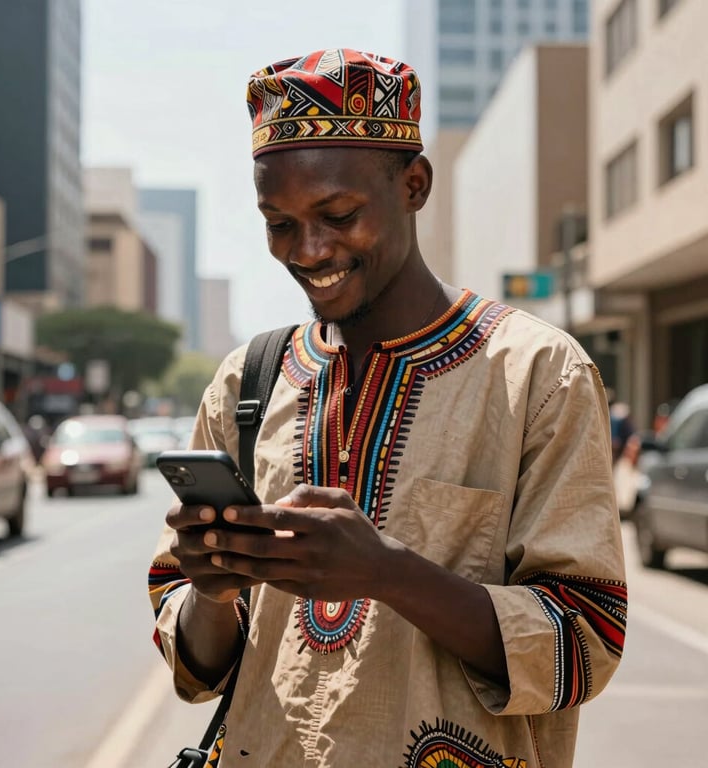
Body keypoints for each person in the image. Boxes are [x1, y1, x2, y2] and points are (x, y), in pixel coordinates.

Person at [149, 49, 627, 767]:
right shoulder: (247, 382)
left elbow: (585, 643)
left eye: (337, 214)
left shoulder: (539, 375)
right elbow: (197, 667)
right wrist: (214, 593)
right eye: (278, 223)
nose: (308, 250)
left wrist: (389, 573)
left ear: (414, 185)